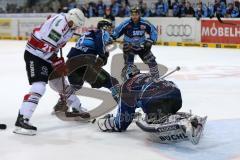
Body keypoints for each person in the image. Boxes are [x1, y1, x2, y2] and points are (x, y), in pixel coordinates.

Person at [13, 8, 85, 136]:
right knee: (39, 87)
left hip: (47, 56)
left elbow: (53, 43)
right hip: (35, 54)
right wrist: (57, 62)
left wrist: (56, 60)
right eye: (73, 24)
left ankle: (76, 108)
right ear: (70, 18)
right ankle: (21, 121)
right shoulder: (60, 24)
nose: (74, 27)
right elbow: (46, 47)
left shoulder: (69, 25)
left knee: (61, 83)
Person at [98, 65, 207, 145]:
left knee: (152, 119)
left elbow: (122, 122)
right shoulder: (148, 76)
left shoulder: (127, 85)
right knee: (162, 113)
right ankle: (183, 119)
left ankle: (183, 124)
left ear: (125, 76)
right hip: (175, 94)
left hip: (155, 98)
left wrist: (107, 122)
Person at [53, 19, 120, 114]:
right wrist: (103, 54)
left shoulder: (88, 34)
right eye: (109, 28)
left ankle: (62, 103)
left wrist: (103, 54)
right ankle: (125, 108)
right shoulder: (101, 33)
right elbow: (100, 53)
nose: (110, 31)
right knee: (112, 82)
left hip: (71, 64)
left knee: (76, 86)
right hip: (84, 64)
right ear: (104, 28)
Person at [111, 6, 159, 79]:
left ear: (139, 14)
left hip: (142, 46)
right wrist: (111, 37)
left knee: (152, 61)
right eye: (132, 14)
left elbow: (153, 31)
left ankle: (155, 78)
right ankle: (129, 79)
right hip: (129, 46)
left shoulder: (144, 23)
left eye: (136, 14)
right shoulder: (125, 23)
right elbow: (116, 32)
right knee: (129, 64)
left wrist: (150, 40)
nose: (134, 16)